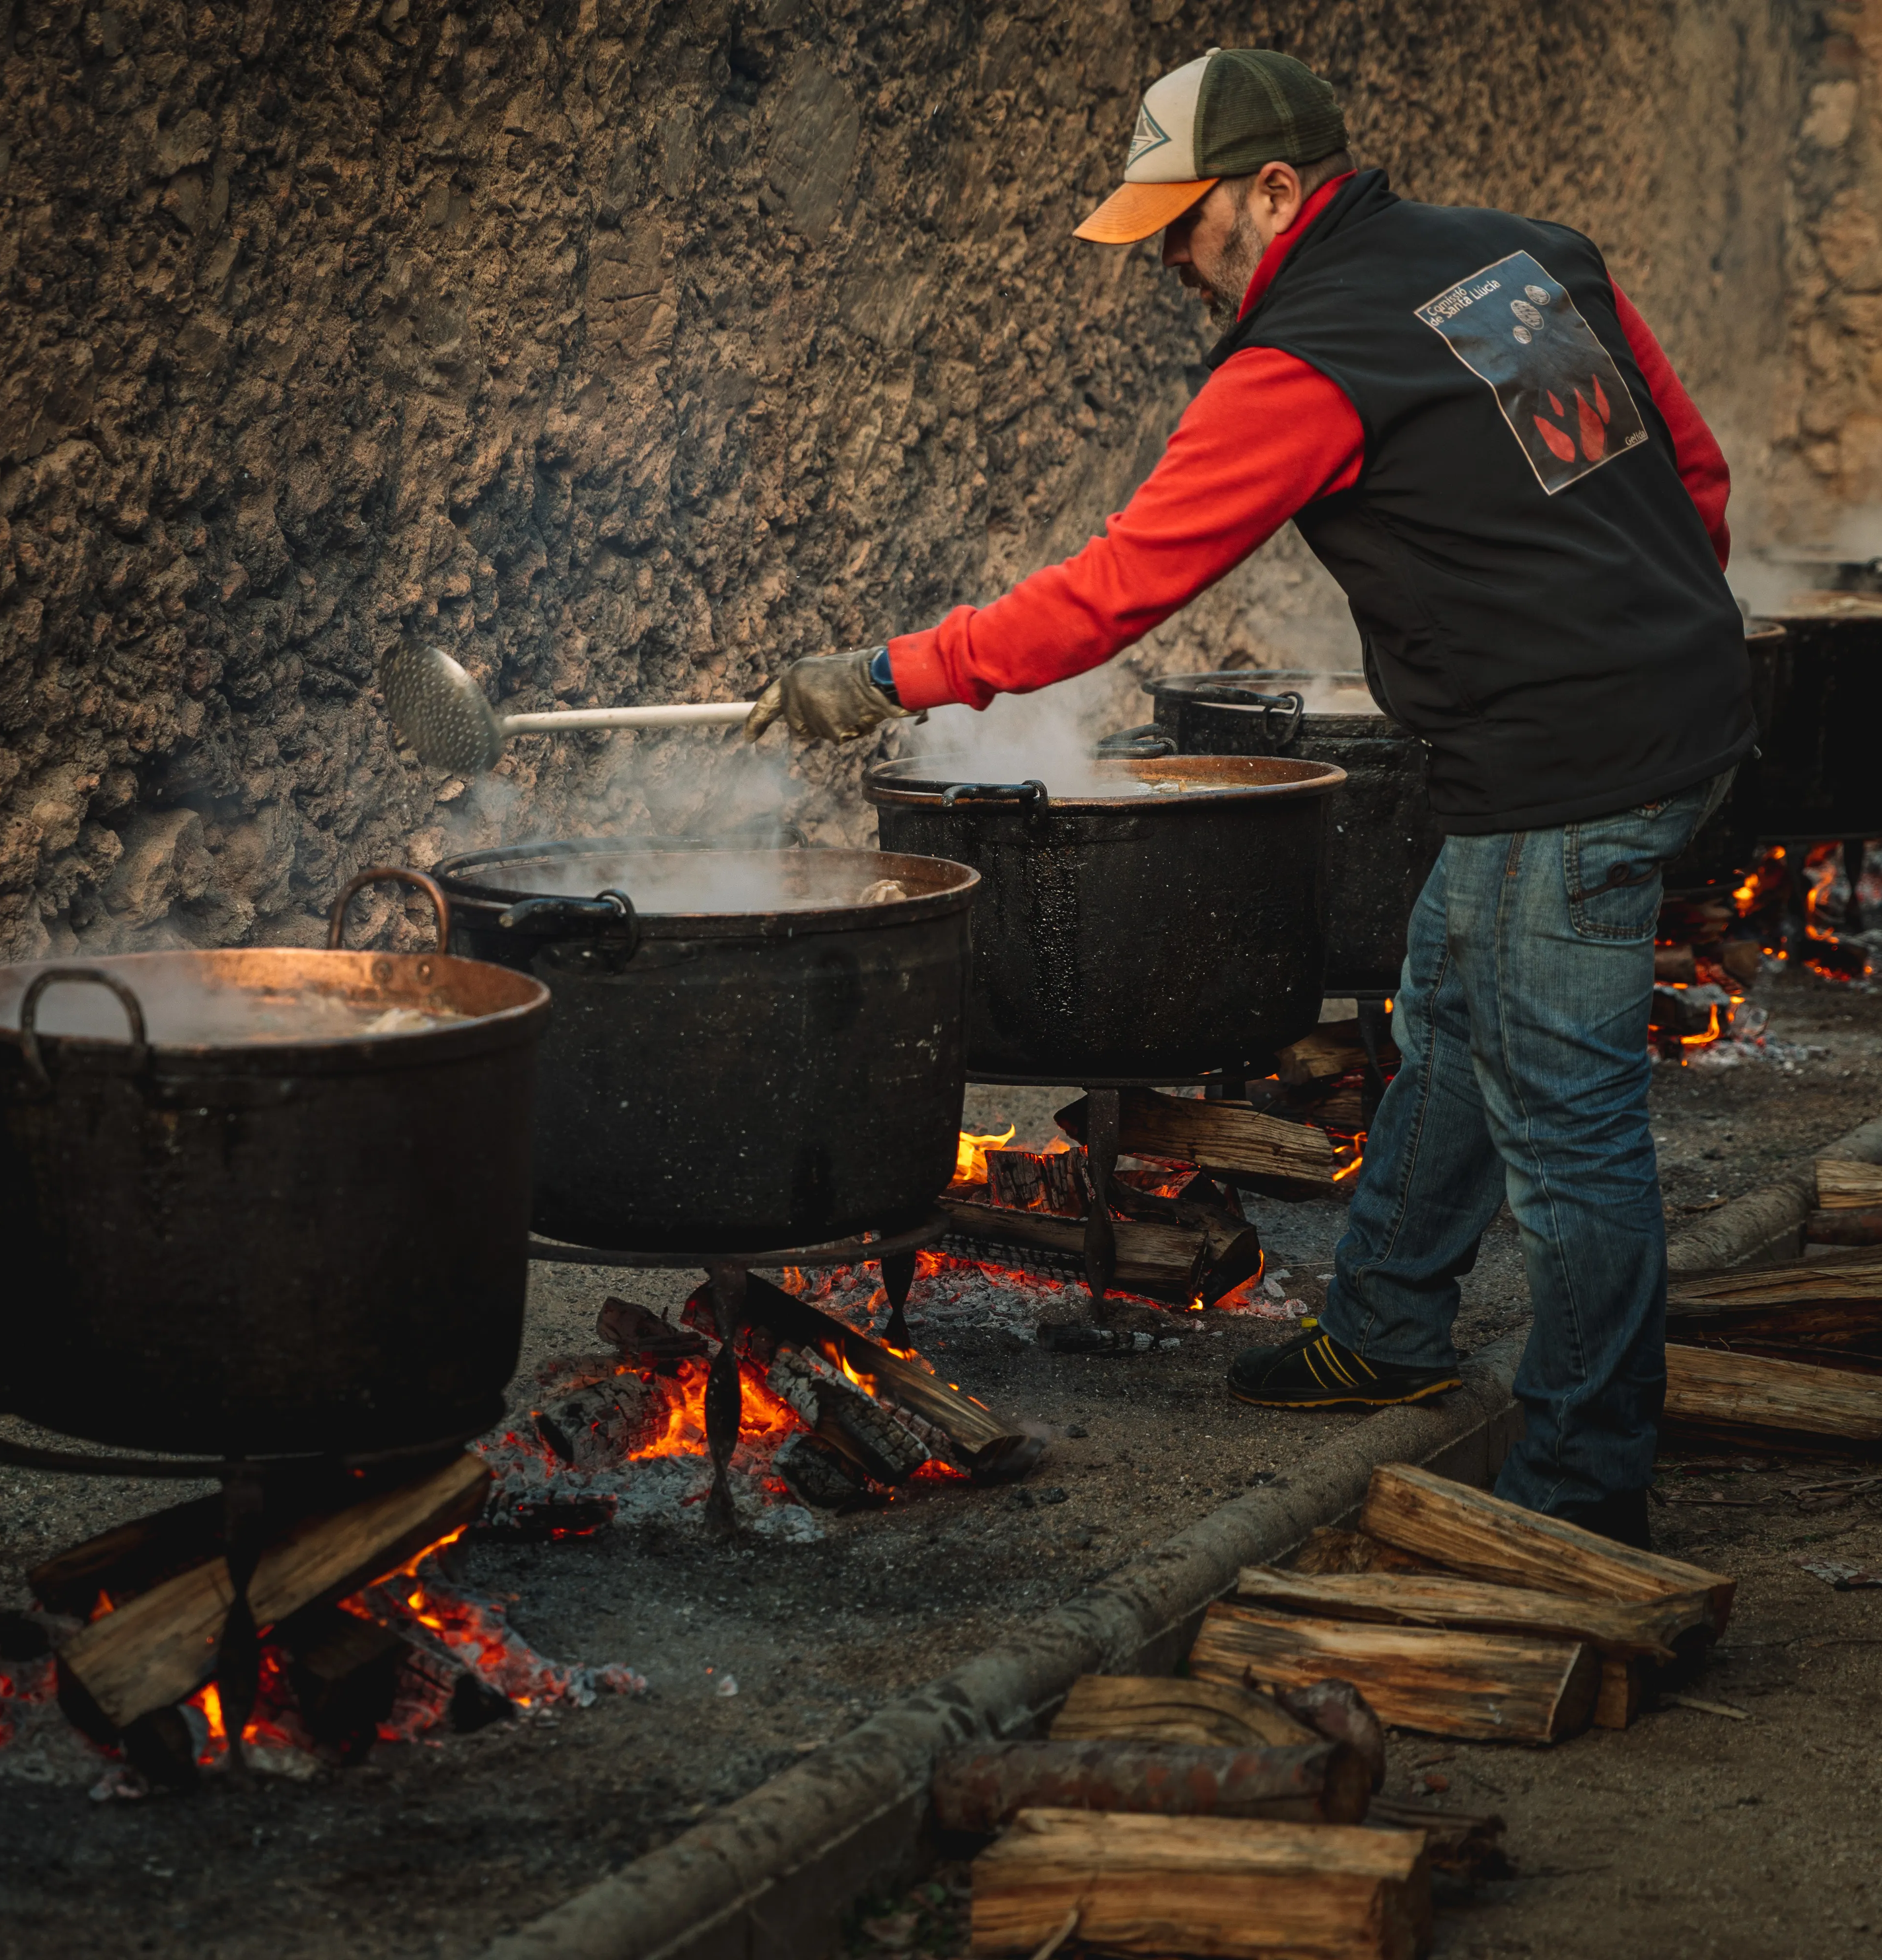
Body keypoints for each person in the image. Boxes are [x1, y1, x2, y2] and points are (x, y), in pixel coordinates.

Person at [744, 48, 1750, 1547]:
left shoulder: (1300, 362)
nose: (1170, 261)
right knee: (1452, 1008)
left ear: (1276, 191)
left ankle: (1585, 1491)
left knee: (1570, 1132)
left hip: (1567, 769)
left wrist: (893, 675)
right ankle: (1389, 1330)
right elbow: (1691, 474)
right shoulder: (1516, 265)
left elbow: (1114, 592)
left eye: (1184, 222)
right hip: (1657, 717)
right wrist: (1655, 646)